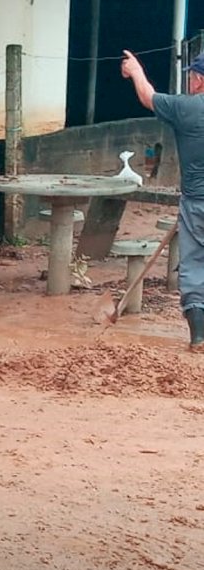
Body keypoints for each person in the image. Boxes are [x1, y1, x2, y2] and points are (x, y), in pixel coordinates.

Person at [121, 49, 204, 351]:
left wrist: (135, 70)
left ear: (197, 79)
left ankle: (199, 336)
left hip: (197, 204)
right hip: (195, 201)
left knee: (194, 265)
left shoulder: (187, 108)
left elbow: (148, 97)